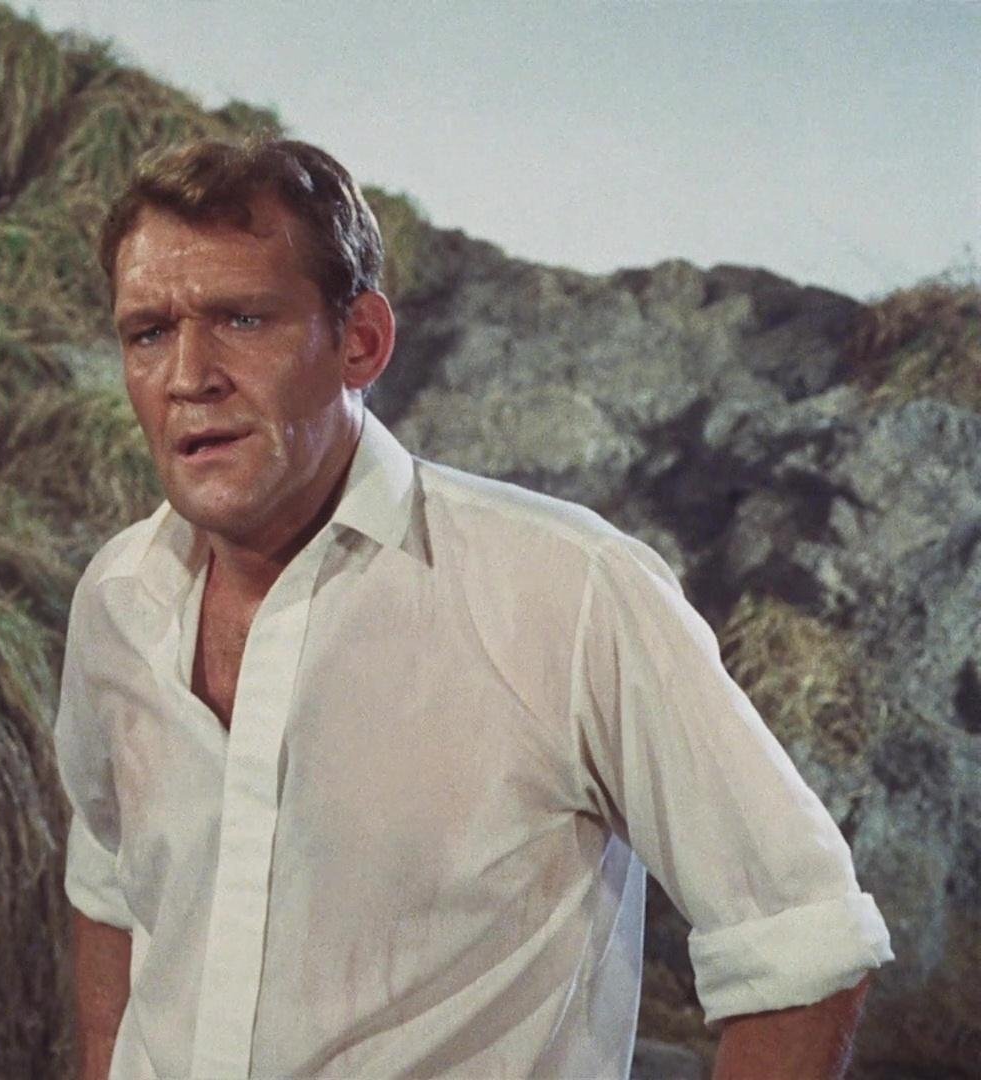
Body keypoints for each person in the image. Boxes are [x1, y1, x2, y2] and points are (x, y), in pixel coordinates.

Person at [54, 139, 892, 1079]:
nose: (188, 375)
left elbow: (805, 945)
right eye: (148, 333)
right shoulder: (117, 599)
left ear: (361, 341)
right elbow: (112, 886)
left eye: (243, 319)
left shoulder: (571, 591)